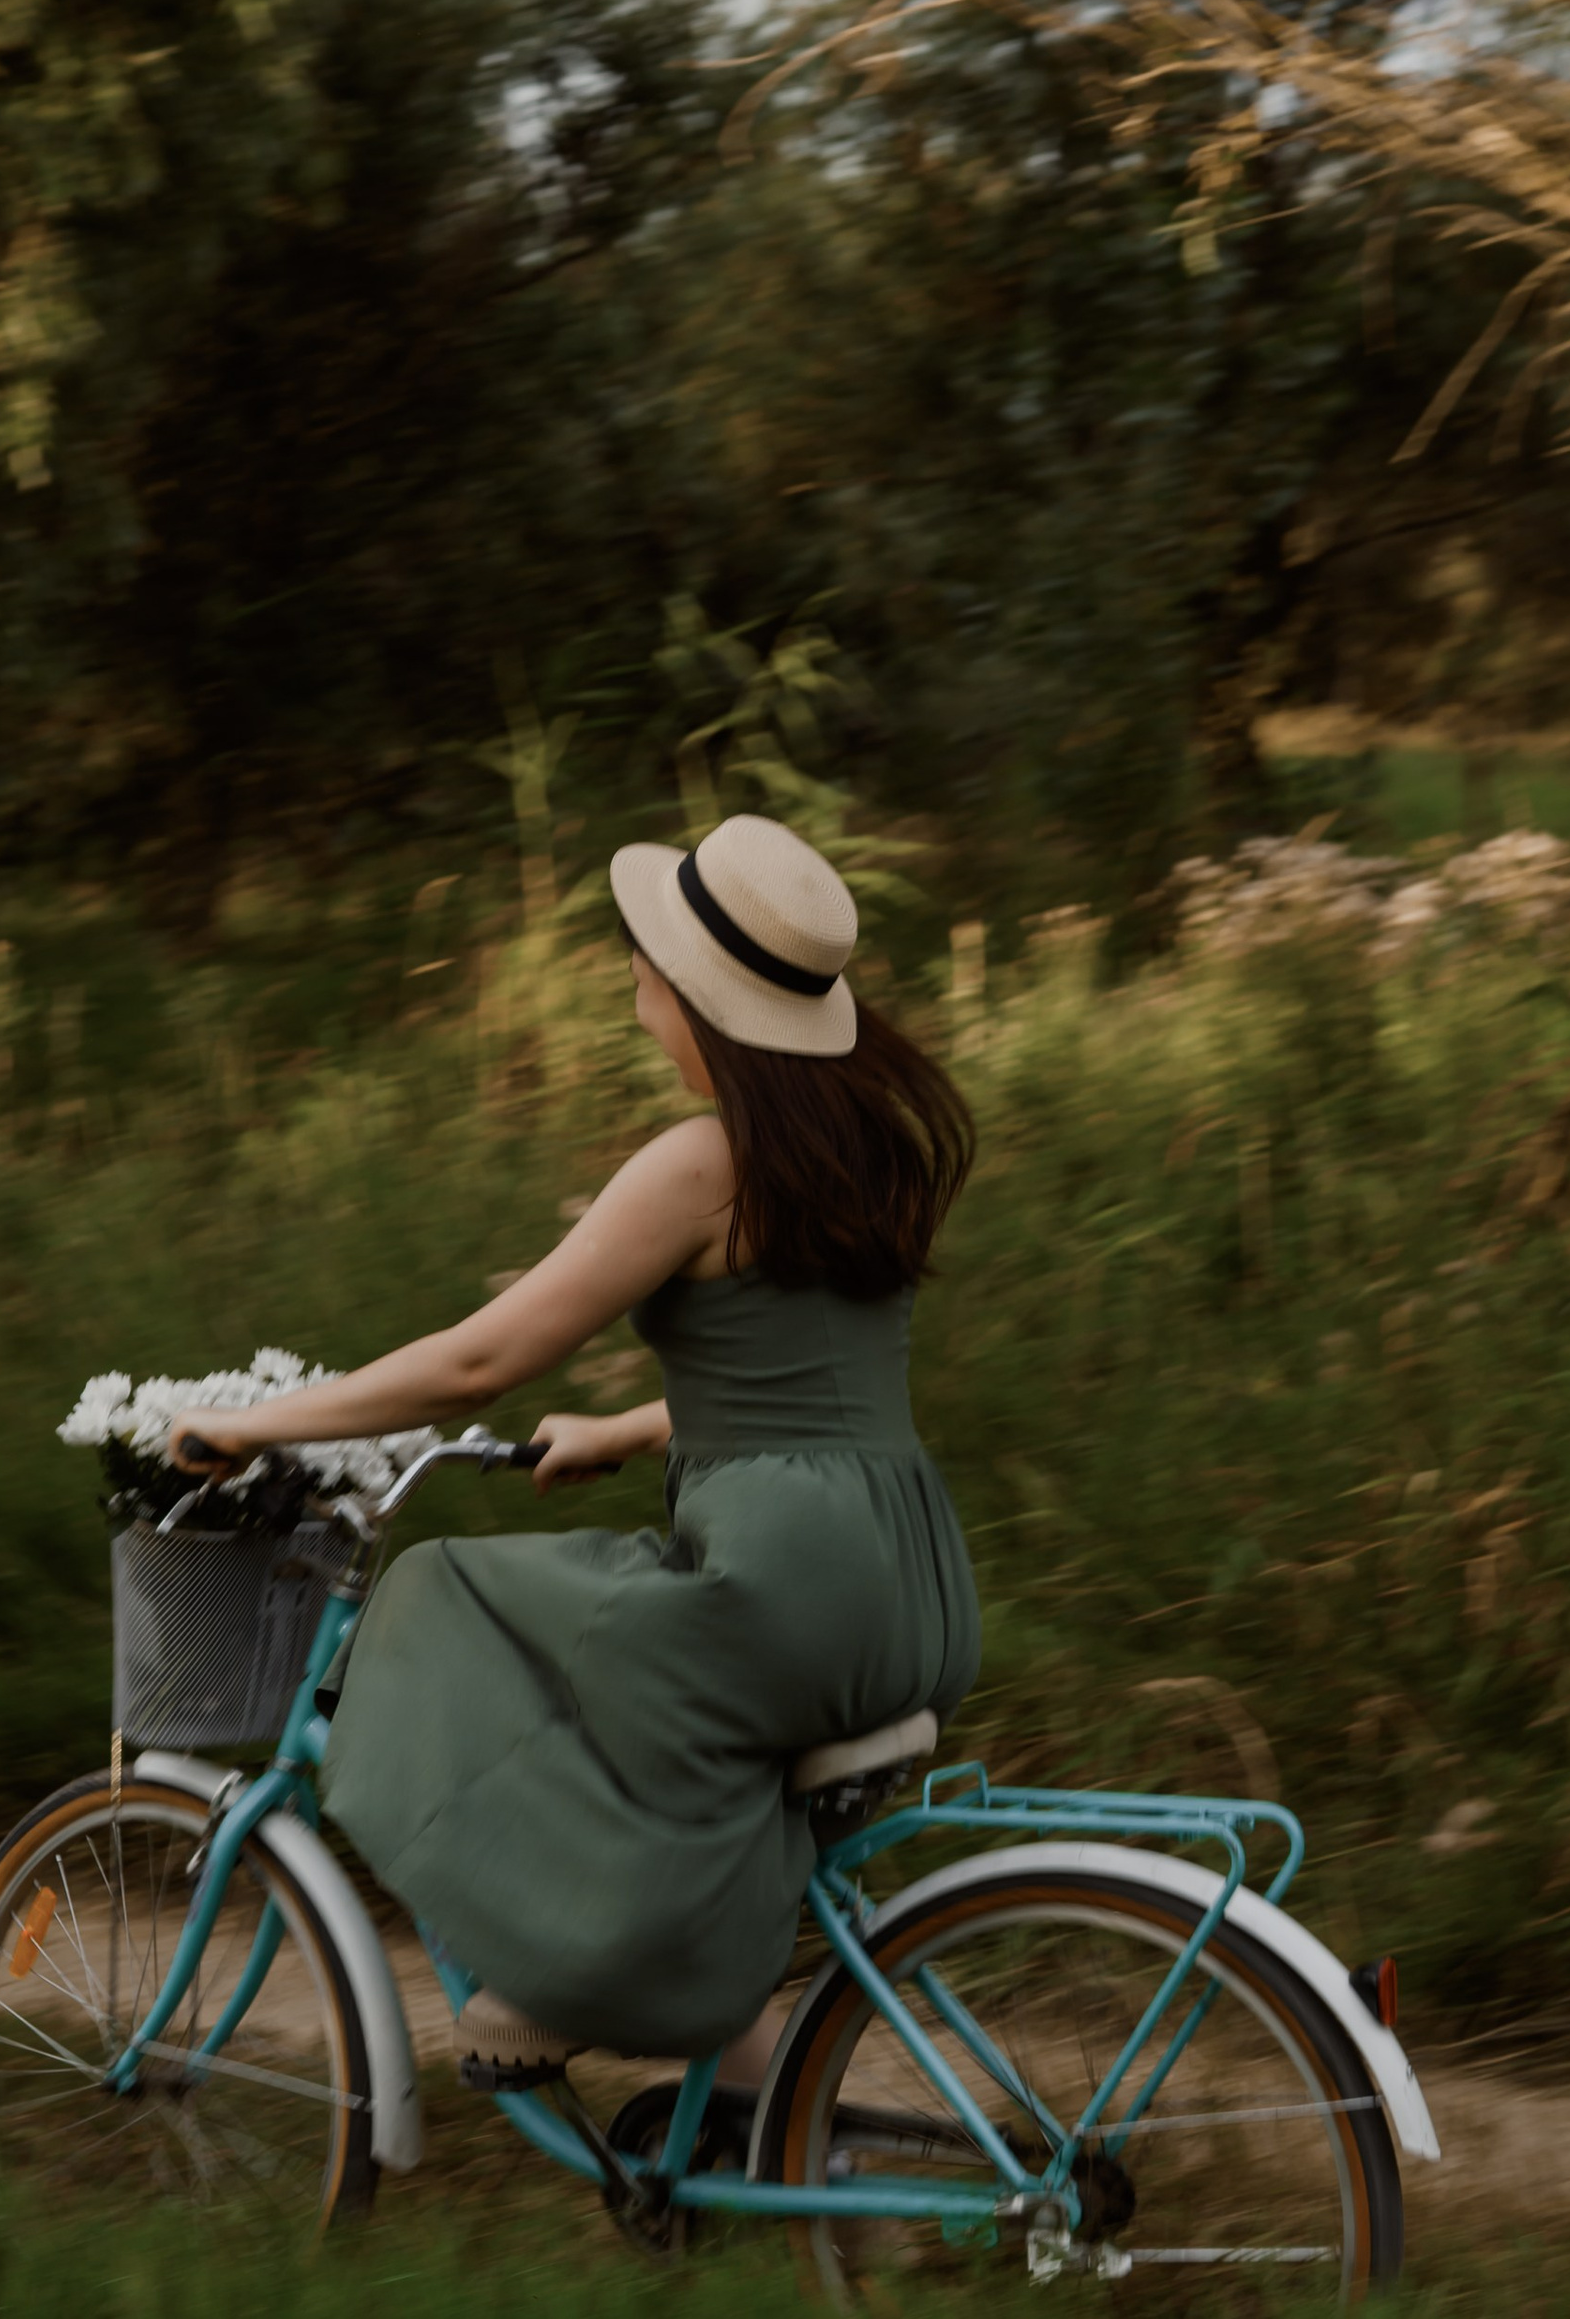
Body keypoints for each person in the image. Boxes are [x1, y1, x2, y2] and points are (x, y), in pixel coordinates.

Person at [168, 812, 981, 2091]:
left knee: (443, 1600)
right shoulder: (856, 1147)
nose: (635, 986)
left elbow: (480, 1363)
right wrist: (629, 1427)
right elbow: (813, 1385)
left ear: (701, 1006)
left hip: (778, 1590)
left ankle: (558, 1974)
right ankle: (773, 2116)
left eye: (649, 969)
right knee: (624, 1665)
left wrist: (249, 1421)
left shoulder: (699, 1166)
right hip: (912, 1581)